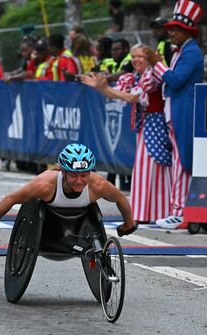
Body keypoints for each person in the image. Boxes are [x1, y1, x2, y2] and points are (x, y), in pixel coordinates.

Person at [82, 44, 173, 224]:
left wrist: (104, 87)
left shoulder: (152, 75)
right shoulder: (135, 77)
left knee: (154, 167)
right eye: (134, 56)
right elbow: (120, 95)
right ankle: (147, 213)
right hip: (145, 124)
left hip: (156, 123)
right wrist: (101, 88)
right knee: (144, 169)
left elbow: (131, 98)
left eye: (140, 56)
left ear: (149, 58)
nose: (136, 60)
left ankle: (158, 212)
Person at [0, 143, 137, 245]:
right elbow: (11, 199)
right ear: (63, 171)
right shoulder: (45, 184)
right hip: (47, 225)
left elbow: (120, 198)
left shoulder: (97, 185)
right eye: (74, 175)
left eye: (84, 174)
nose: (80, 180)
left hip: (79, 226)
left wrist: (128, 224)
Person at [148, 0, 204, 229]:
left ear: (186, 31)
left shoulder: (191, 52)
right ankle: (177, 209)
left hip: (184, 111)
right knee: (177, 162)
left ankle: (180, 212)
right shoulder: (182, 50)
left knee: (182, 162)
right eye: (170, 29)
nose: (171, 33)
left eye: (175, 30)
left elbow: (176, 80)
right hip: (175, 111)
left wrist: (157, 64)